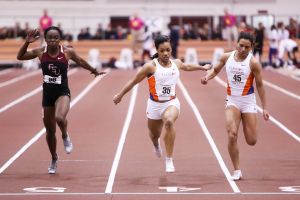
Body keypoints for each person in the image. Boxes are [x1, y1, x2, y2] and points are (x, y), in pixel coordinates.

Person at [113, 35, 211, 173]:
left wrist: (202, 67)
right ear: (157, 51)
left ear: (171, 50)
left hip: (171, 103)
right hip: (154, 105)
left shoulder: (176, 63)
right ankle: (155, 144)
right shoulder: (150, 67)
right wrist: (120, 95)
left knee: (169, 122)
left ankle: (169, 159)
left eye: (168, 50)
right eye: (162, 50)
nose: (165, 53)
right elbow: (133, 81)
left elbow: (187, 66)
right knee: (154, 135)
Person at [17, 26, 106, 174]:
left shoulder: (67, 52)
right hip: (47, 95)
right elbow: (20, 57)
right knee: (50, 131)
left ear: (60, 39)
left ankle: (65, 135)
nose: (52, 40)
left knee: (59, 117)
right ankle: (54, 158)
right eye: (50, 37)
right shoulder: (40, 52)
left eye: (55, 37)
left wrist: (94, 71)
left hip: (62, 92)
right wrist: (27, 42)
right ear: (45, 39)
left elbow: (81, 61)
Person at [201, 31, 269, 180]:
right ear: (236, 43)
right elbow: (216, 70)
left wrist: (264, 107)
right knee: (232, 134)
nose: (243, 49)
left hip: (248, 101)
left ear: (252, 48)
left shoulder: (253, 63)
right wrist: (207, 77)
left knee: (251, 141)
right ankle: (237, 170)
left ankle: (247, 123)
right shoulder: (227, 57)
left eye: (247, 47)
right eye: (241, 45)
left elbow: (260, 85)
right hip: (232, 100)